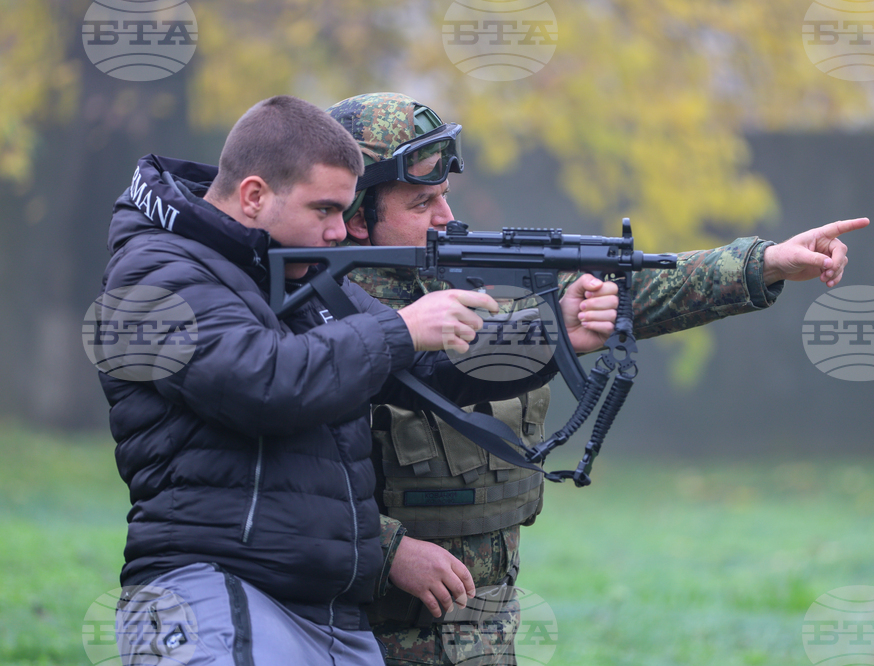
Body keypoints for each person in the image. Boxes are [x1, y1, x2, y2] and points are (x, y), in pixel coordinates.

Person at [324, 92, 870, 665]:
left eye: (444, 197)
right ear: (357, 216)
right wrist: (387, 551)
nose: (446, 219)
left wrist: (763, 263)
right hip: (369, 633)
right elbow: (282, 480)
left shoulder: (455, 286)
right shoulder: (318, 315)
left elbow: (624, 296)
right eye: (420, 203)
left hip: (479, 633)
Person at [97, 95, 618, 665]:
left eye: (344, 212)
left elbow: (425, 371)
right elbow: (261, 382)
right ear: (253, 195)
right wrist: (401, 328)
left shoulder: (290, 267)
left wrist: (552, 333)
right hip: (215, 590)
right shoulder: (156, 273)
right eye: (322, 211)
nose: (338, 234)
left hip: (325, 606)